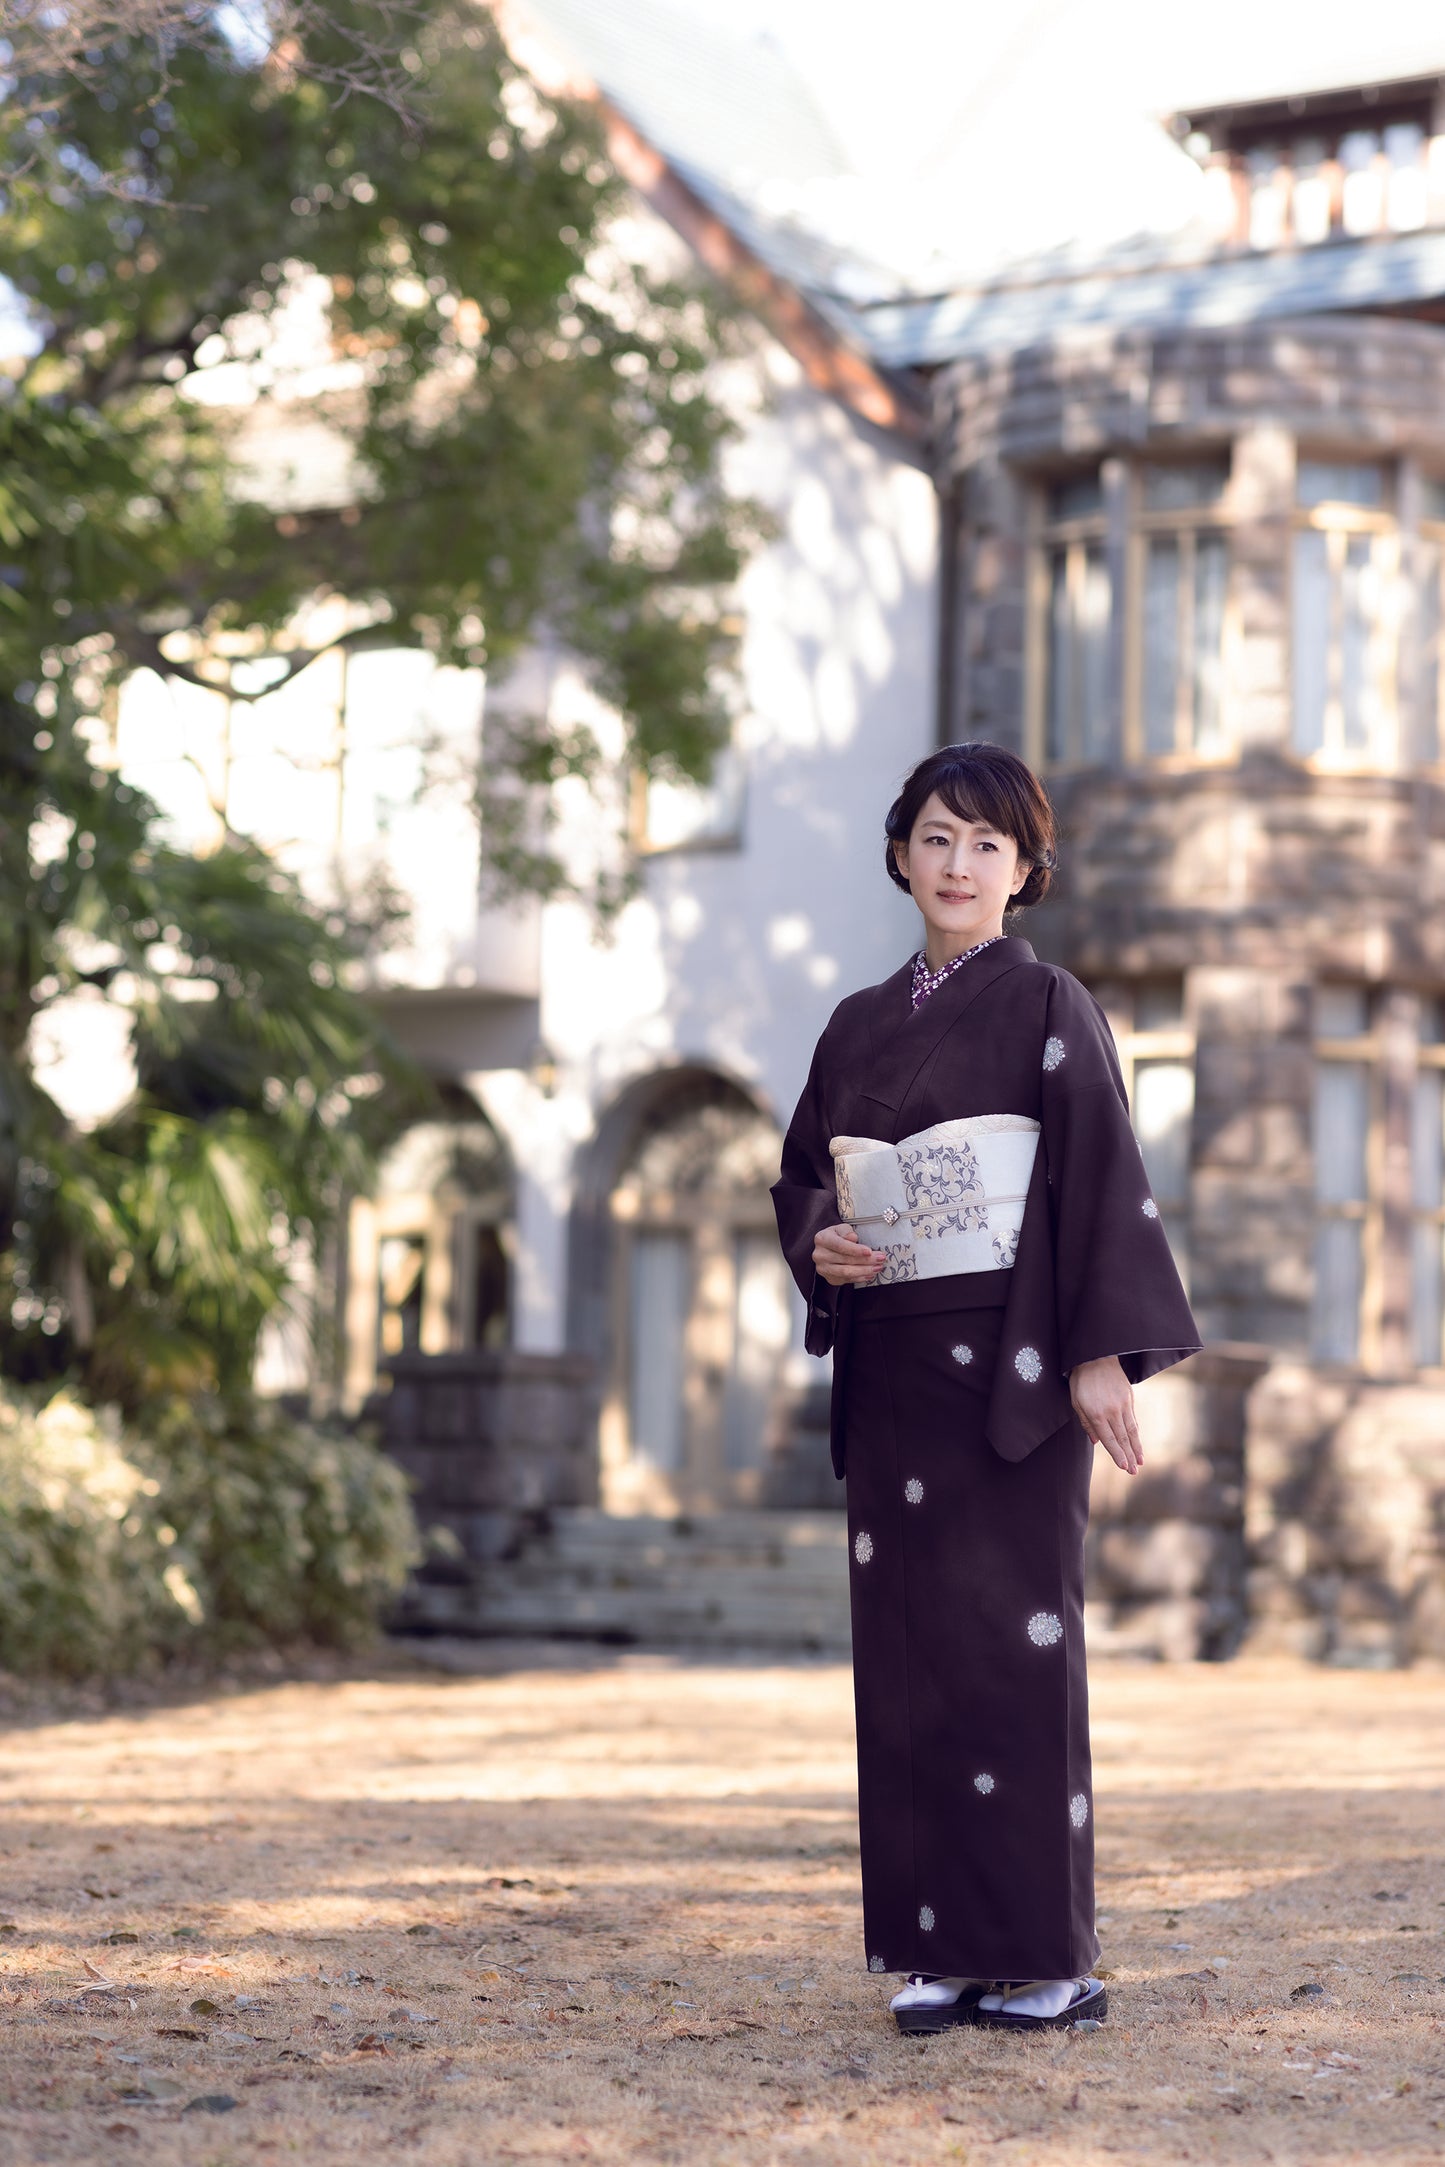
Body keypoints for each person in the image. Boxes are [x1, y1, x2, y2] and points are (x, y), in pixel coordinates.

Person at [770, 742, 1199, 2035]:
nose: (959, 866)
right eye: (938, 838)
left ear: (1024, 873)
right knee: (906, 1661)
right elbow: (801, 1180)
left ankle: (1046, 1956)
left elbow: (1095, 1177)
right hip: (895, 1360)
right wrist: (820, 1247)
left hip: (1004, 1372)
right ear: (900, 851)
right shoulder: (854, 1024)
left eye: (988, 846)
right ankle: (937, 1949)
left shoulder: (1049, 1004)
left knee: (1013, 1657)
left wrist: (1093, 1356)